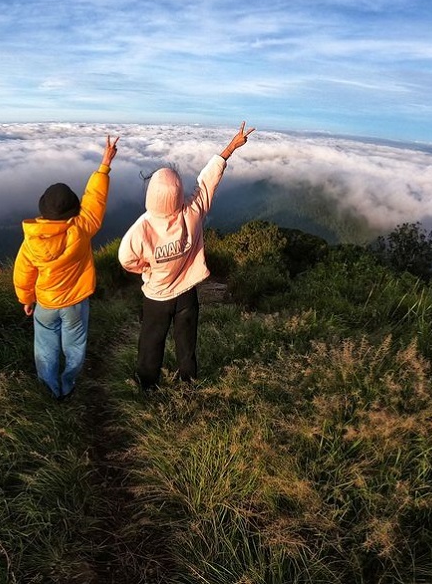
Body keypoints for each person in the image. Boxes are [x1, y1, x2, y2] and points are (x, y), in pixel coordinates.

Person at [118, 122, 254, 390]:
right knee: (186, 342)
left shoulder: (142, 229)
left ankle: (146, 386)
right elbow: (207, 183)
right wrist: (229, 149)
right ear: (179, 193)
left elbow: (126, 259)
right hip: (187, 294)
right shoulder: (191, 214)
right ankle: (188, 383)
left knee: (151, 342)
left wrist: (147, 269)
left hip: (157, 296)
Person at [13, 135, 119, 399]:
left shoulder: (32, 240)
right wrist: (104, 164)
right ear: (74, 208)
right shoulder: (81, 230)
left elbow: (23, 273)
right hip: (75, 303)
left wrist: (26, 299)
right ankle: (68, 384)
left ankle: (49, 389)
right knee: (74, 346)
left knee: (45, 347)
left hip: (45, 303)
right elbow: (94, 201)